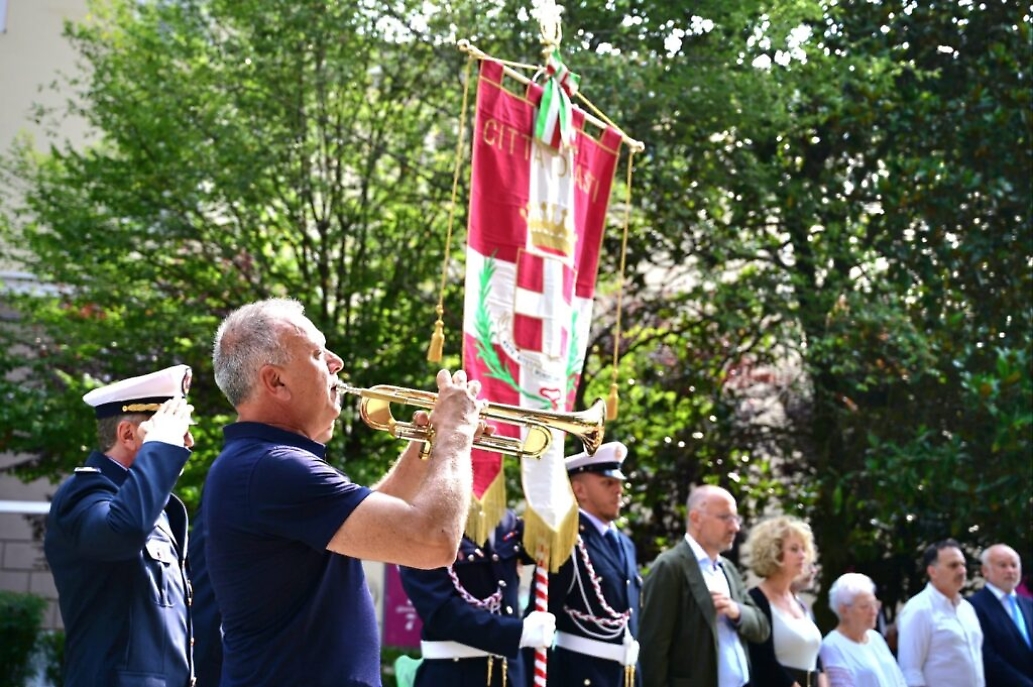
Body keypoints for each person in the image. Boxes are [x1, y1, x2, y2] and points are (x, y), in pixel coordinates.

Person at [203, 298, 482, 687]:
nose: (337, 363)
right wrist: (456, 434)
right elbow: (433, 542)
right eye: (318, 353)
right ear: (275, 381)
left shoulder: (264, 463)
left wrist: (430, 444)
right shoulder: (274, 467)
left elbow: (382, 522)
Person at [44, 364, 196, 687]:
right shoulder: (83, 493)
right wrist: (161, 450)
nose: (187, 442)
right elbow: (122, 531)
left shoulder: (156, 505)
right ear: (127, 434)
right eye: (171, 431)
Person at [398, 510, 555, 687]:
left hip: (509, 675)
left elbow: (551, 549)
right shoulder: (422, 529)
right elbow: (442, 614)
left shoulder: (505, 521)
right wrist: (517, 633)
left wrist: (550, 513)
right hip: (455, 675)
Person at [639, 484, 770, 687]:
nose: (735, 527)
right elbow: (653, 649)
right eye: (725, 517)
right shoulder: (670, 567)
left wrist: (736, 611)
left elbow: (761, 627)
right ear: (696, 518)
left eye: (736, 519)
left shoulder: (727, 569)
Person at [543, 441, 642, 686]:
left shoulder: (625, 544)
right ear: (580, 490)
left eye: (619, 482)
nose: (618, 490)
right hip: (581, 674)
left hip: (625, 675)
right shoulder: (566, 539)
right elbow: (544, 614)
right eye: (608, 483)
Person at [745, 515, 827, 687]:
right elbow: (761, 661)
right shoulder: (756, 600)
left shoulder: (799, 602)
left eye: (804, 549)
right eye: (794, 549)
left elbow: (815, 658)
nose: (802, 555)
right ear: (774, 553)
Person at [896, 539, 984, 687]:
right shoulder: (919, 609)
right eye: (953, 565)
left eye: (963, 564)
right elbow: (910, 671)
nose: (962, 571)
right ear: (932, 571)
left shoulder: (966, 608)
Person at [820, 572, 907, 687]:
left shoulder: (876, 638)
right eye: (865, 606)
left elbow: (898, 678)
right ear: (844, 610)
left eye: (875, 604)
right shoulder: (832, 646)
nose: (874, 612)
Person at [968, 544, 1033, 686]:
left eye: (1014, 565)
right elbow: (987, 656)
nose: (1010, 571)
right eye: (1002, 565)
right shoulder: (974, 606)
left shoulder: (1029, 604)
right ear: (985, 571)